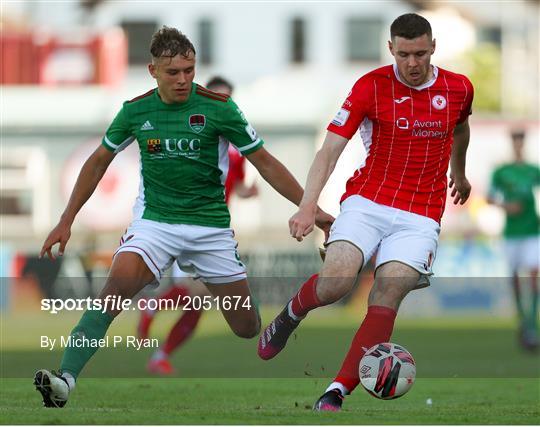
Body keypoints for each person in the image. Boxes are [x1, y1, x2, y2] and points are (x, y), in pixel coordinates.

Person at [34, 26, 333, 408]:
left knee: (246, 328)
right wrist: (66, 219)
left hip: (209, 230)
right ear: (152, 70)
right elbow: (97, 162)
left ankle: (223, 289)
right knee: (112, 293)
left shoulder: (219, 108)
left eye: (189, 70)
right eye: (173, 72)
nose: (183, 80)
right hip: (154, 224)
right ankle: (65, 380)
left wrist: (310, 207)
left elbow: (267, 163)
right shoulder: (135, 111)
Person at [258, 13, 474, 411]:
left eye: (421, 53)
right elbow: (329, 150)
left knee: (388, 291)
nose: (413, 63)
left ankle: (337, 390)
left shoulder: (458, 88)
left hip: (422, 214)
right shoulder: (369, 87)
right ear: (391, 48)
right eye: (405, 54)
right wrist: (308, 206)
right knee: (337, 282)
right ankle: (291, 313)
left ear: (433, 48)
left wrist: (458, 173)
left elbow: (460, 127)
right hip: (369, 200)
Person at [138, 76, 259, 375]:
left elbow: (238, 185)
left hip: (213, 231)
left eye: (226, 99)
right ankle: (154, 315)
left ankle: (160, 352)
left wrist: (249, 192)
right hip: (184, 224)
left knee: (197, 302)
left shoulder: (235, 148)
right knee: (198, 294)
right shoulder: (186, 139)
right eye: (215, 97)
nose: (220, 104)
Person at [488, 128, 539, 350]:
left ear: (524, 144)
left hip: (532, 231)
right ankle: (522, 319)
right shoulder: (501, 171)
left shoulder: (533, 170)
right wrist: (506, 206)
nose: (518, 145)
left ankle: (531, 322)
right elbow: (489, 198)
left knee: (534, 275)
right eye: (515, 141)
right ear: (512, 144)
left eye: (521, 141)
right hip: (511, 233)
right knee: (515, 278)